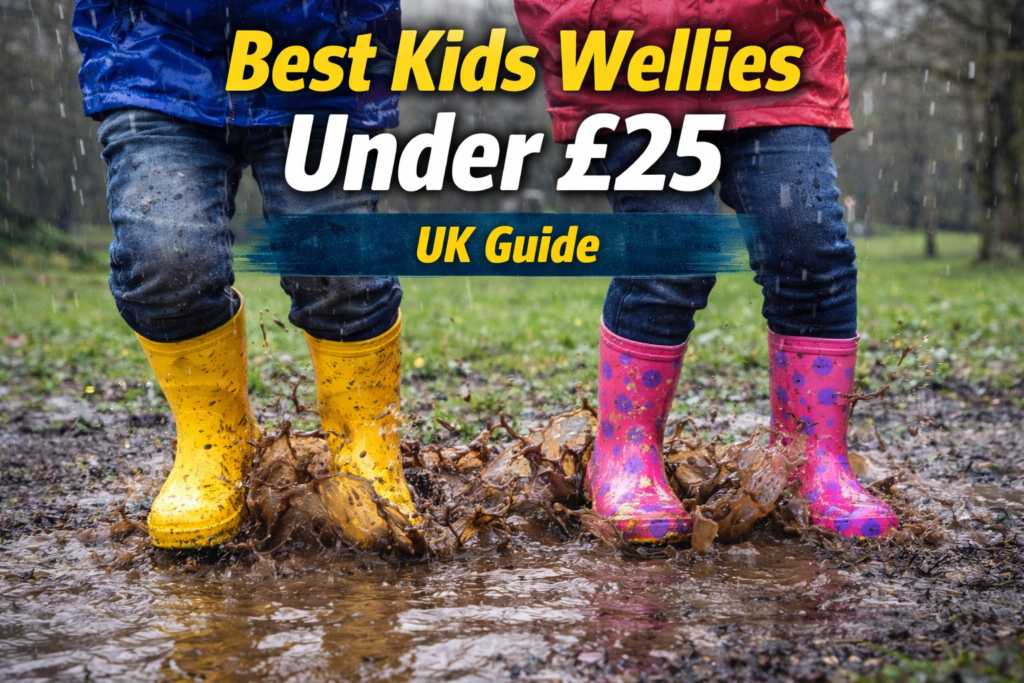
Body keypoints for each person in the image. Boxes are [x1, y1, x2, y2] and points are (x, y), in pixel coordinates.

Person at [514, 0, 899, 543]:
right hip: (631, 59)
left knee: (808, 249)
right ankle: (625, 459)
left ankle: (811, 463)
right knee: (672, 256)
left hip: (770, 54)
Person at [72, 1, 418, 549]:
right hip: (156, 49)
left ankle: (365, 447)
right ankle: (217, 443)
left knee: (341, 272)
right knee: (164, 255)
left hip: (325, 49)